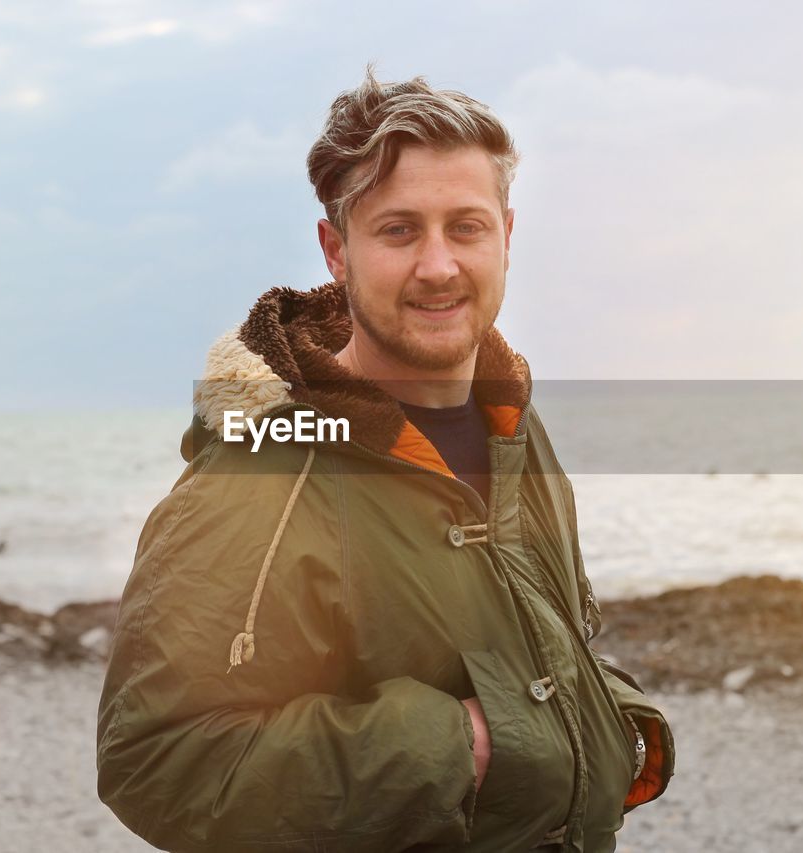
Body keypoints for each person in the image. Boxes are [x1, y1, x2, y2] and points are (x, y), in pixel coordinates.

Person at [96, 69, 674, 852]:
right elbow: (154, 758)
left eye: (465, 227)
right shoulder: (263, 469)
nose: (438, 266)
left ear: (507, 234)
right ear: (337, 249)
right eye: (399, 230)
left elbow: (523, 648)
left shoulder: (514, 424)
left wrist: (603, 721)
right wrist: (458, 748)